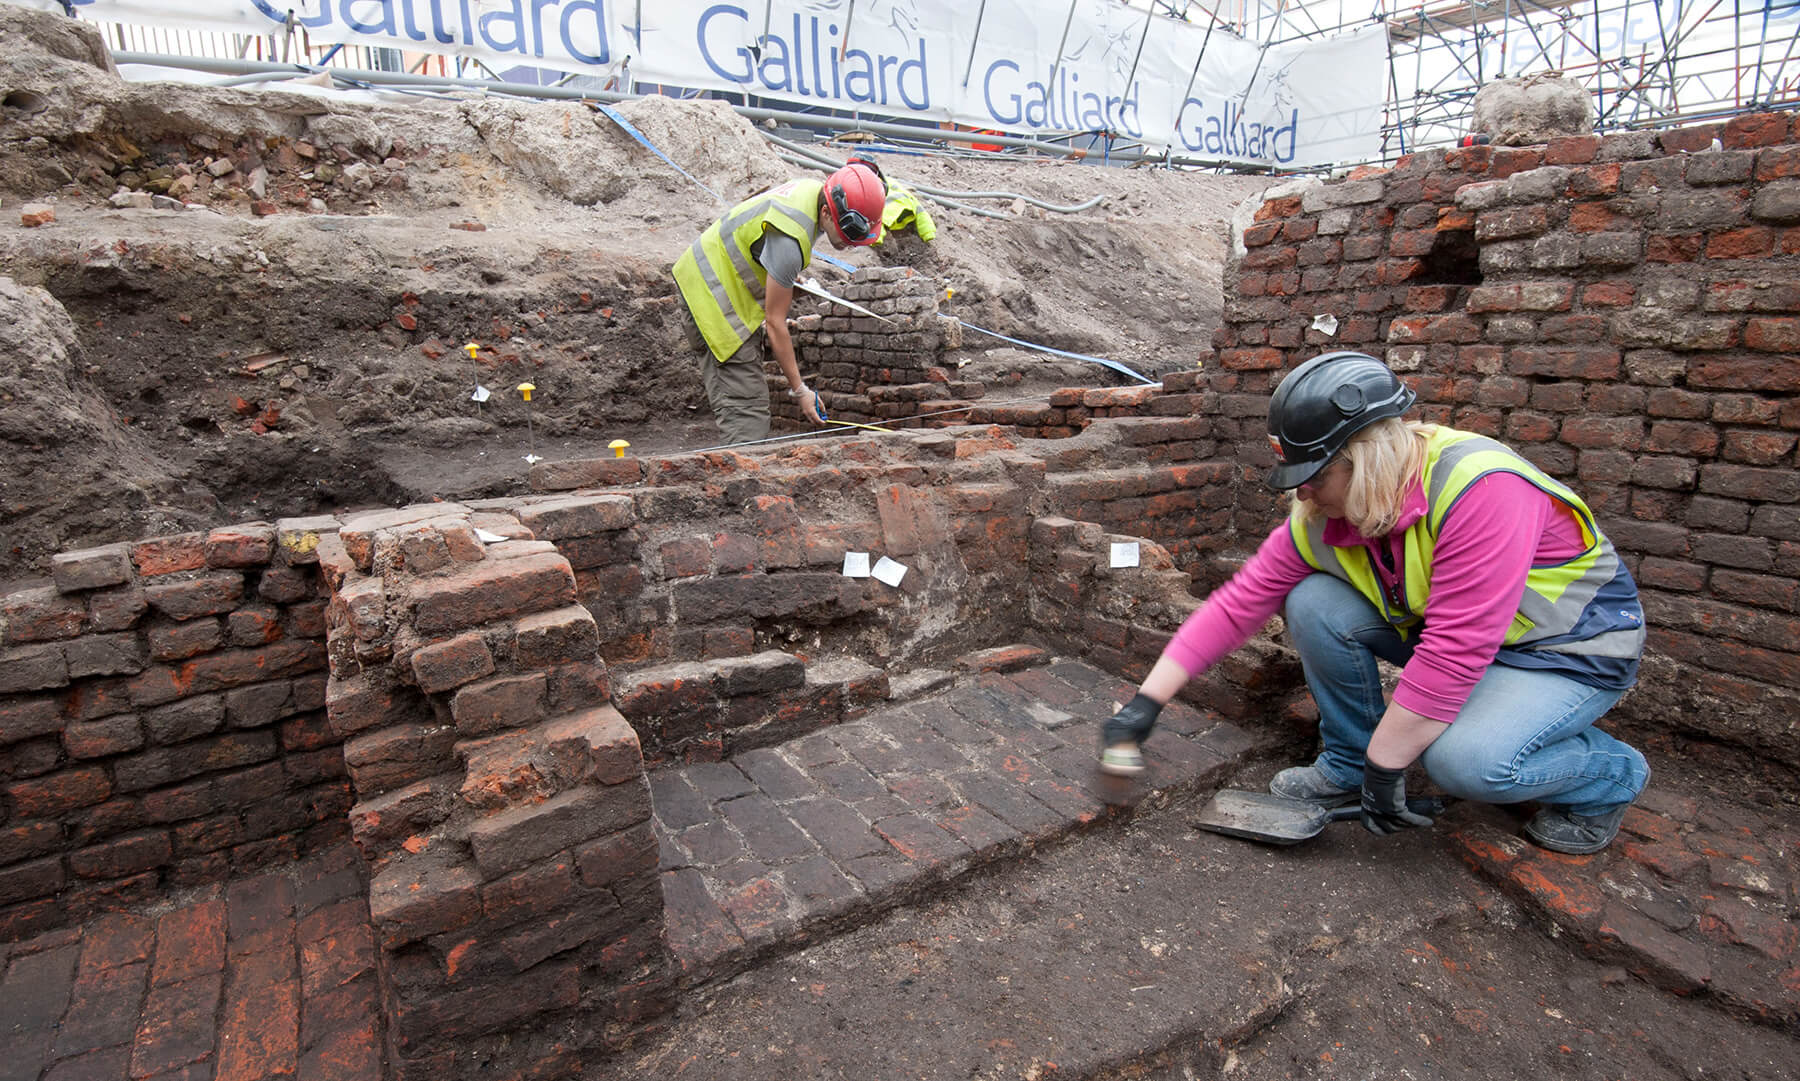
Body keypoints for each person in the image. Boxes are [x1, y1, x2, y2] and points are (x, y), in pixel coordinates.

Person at [1099, 350, 1650, 855]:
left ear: (1362, 459)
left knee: (1466, 764)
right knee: (1313, 600)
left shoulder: (1482, 489)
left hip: (1563, 651)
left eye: (1312, 476)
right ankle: (1347, 763)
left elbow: (1455, 652)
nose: (1301, 493)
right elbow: (1238, 604)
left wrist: (1389, 767)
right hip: (1468, 644)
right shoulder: (1325, 512)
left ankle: (1612, 777)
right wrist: (1147, 702)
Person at [672, 159, 887, 444]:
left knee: (749, 411)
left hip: (704, 280)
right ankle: (741, 482)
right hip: (711, 301)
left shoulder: (811, 191)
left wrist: (782, 279)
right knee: (747, 419)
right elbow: (775, 324)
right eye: (848, 235)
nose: (850, 244)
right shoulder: (790, 241)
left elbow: (761, 247)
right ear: (826, 212)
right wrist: (801, 391)